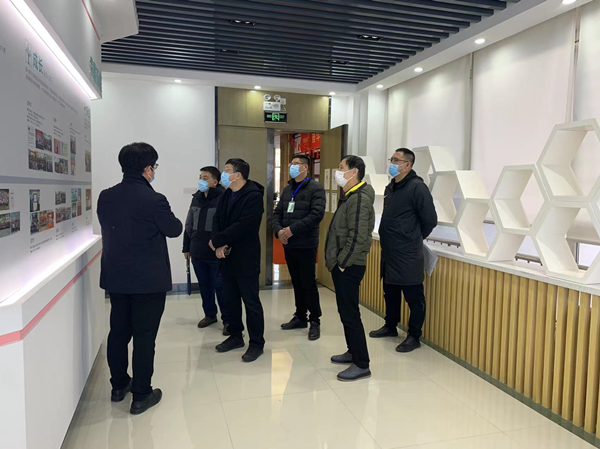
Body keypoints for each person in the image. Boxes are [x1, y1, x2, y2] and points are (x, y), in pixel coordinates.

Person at [97, 142, 182, 415]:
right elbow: (174, 229)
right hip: (148, 281)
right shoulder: (154, 200)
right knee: (144, 337)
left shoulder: (106, 196)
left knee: (118, 332)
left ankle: (119, 386)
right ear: (147, 169)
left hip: (116, 277)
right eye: (154, 167)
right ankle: (141, 395)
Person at [369, 148, 437, 353]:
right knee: (390, 292)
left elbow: (430, 220)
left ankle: (414, 336)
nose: (392, 163)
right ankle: (390, 326)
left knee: (414, 297)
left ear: (407, 165)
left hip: (408, 253)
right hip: (390, 250)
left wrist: (413, 237)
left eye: (396, 160)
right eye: (392, 159)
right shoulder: (391, 187)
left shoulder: (417, 187)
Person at [210, 158, 266, 363]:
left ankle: (257, 343)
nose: (224, 173)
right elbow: (217, 219)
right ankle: (235, 336)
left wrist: (219, 240)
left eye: (227, 170)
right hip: (227, 257)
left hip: (245, 257)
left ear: (238, 175)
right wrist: (219, 244)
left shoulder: (253, 196)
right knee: (230, 299)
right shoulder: (226, 194)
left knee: (251, 302)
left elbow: (245, 225)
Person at [325, 155, 375, 381]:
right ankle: (353, 351)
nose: (337, 171)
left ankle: (362, 363)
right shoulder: (351, 195)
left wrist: (343, 262)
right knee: (345, 312)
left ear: (354, 172)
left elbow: (358, 236)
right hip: (345, 263)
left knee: (351, 314)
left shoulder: (360, 198)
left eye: (341, 167)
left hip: (349, 265)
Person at [274, 154, 326, 341]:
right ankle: (300, 316)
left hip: (306, 244)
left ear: (305, 168)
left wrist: (292, 230)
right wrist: (279, 231)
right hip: (290, 244)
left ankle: (315, 320)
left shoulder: (316, 189)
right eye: (291, 163)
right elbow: (277, 213)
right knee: (296, 281)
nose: (292, 166)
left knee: (308, 283)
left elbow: (316, 215)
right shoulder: (287, 189)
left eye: (296, 164)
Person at [182, 166, 229, 333]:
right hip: (197, 250)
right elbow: (189, 224)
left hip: (215, 252)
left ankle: (228, 320)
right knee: (204, 285)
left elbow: (226, 225)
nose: (201, 180)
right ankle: (210, 314)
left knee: (220, 286)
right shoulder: (196, 198)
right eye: (200, 177)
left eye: (205, 178)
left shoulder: (223, 198)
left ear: (215, 182)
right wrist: (186, 247)